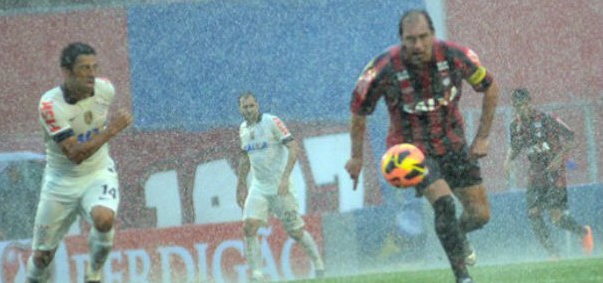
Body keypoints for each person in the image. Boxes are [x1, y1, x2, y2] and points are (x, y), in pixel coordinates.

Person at [345, 10, 500, 283]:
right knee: (444, 204)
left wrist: (483, 136)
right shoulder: (383, 67)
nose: (417, 45)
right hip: (412, 151)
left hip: (454, 144)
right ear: (401, 40)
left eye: (423, 37)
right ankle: (462, 277)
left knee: (480, 215)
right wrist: (356, 157)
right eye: (410, 39)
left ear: (433, 35)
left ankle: (458, 235)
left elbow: (490, 87)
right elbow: (359, 110)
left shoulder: (456, 56)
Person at [26, 42, 133, 283]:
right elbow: (74, 155)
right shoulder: (50, 105)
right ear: (67, 72)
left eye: (95, 67)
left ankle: (93, 274)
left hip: (98, 172)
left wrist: (107, 131)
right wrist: (112, 130)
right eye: (84, 68)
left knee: (105, 219)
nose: (92, 74)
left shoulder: (105, 90)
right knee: (42, 256)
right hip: (60, 181)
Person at [236, 92, 325, 282]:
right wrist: (240, 185)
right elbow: (245, 158)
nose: (249, 110)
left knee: (295, 232)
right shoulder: (243, 129)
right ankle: (257, 274)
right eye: (245, 107)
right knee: (249, 227)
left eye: (252, 106)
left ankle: (318, 264)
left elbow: (293, 147)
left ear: (257, 105)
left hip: (279, 187)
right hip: (258, 187)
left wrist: (285, 178)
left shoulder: (271, 121)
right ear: (240, 109)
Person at [504, 88, 593, 259]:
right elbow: (515, 146)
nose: (521, 109)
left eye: (523, 105)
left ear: (529, 103)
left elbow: (571, 138)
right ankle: (554, 253)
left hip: (555, 173)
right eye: (517, 106)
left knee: (556, 216)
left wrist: (559, 158)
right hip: (535, 174)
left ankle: (583, 232)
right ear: (514, 107)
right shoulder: (515, 126)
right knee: (533, 213)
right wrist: (508, 161)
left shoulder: (546, 119)